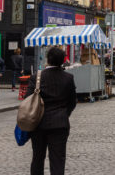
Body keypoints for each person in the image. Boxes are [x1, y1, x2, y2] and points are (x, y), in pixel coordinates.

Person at [26, 46, 77, 175]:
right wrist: (64, 114)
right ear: (62, 61)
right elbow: (72, 102)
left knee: (37, 158)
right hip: (60, 124)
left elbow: (27, 100)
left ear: (48, 59)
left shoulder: (36, 77)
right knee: (58, 160)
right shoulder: (68, 78)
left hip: (38, 123)